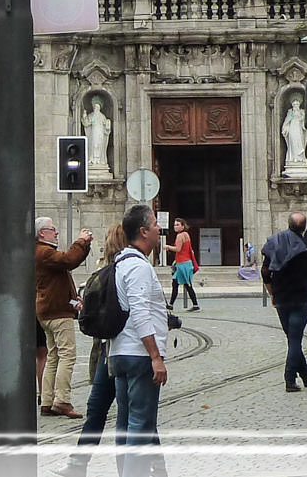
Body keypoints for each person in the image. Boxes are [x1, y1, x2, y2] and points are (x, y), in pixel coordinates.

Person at [60, 225, 129, 477]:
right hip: (107, 352)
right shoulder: (105, 272)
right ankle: (78, 465)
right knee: (101, 408)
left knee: (127, 413)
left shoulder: (124, 271)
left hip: (122, 352)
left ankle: (136, 469)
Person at [108, 204, 169, 477]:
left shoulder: (120, 262)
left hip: (119, 352)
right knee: (140, 425)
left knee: (125, 423)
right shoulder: (138, 267)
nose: (159, 229)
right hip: (139, 354)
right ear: (144, 232)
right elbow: (141, 313)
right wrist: (155, 356)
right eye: (155, 224)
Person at [35, 217, 94, 418]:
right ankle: (62, 400)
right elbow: (68, 259)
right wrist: (80, 241)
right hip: (57, 312)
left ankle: (47, 401)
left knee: (53, 356)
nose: (56, 232)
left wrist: (84, 246)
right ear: (42, 233)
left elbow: (69, 263)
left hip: (50, 310)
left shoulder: (43, 252)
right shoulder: (44, 252)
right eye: (53, 229)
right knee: (67, 355)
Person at [261, 213, 307, 392]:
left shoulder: (274, 243)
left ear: (288, 225)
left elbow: (265, 272)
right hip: (300, 298)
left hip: (281, 298)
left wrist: (271, 292)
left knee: (293, 339)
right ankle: (290, 378)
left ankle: (304, 372)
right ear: (304, 228)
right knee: (295, 339)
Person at [164, 219, 198, 312]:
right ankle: (171, 304)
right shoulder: (186, 235)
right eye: (175, 225)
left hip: (182, 263)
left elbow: (178, 249)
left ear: (183, 226)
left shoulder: (179, 236)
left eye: (178, 224)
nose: (175, 226)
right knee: (180, 283)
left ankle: (195, 305)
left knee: (185, 284)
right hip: (186, 263)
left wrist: (168, 247)